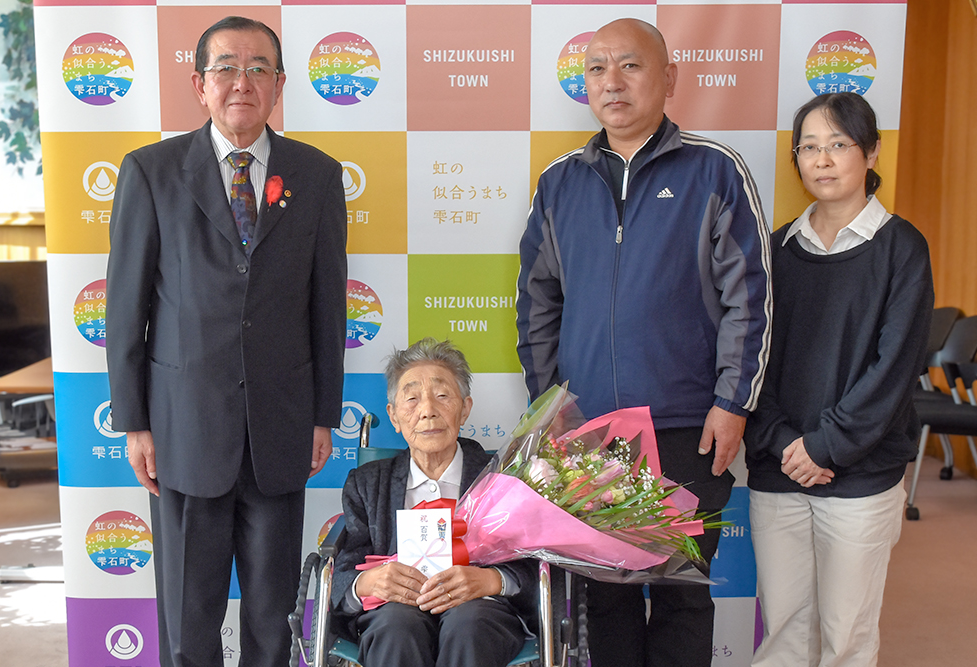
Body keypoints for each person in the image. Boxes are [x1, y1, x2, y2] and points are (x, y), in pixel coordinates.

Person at [516, 18, 771, 667]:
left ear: (668, 78)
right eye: (597, 68)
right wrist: (550, 407)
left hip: (687, 426)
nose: (612, 82)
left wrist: (733, 402)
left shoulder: (714, 171)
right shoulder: (560, 182)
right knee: (604, 598)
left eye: (629, 65)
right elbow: (538, 302)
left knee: (682, 593)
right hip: (591, 435)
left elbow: (750, 296)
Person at [105, 16, 347, 667]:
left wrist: (323, 414)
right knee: (188, 620)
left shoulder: (317, 175)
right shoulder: (151, 172)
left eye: (259, 69)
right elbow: (125, 310)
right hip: (182, 429)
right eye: (227, 69)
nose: (243, 82)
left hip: (280, 426)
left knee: (274, 616)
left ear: (279, 85)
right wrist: (135, 423)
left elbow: (328, 306)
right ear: (200, 84)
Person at [745, 92, 933, 667]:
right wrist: (785, 442)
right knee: (783, 630)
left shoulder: (902, 247)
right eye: (809, 147)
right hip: (779, 469)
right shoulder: (775, 249)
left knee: (846, 638)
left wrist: (825, 446)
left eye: (838, 144)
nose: (822, 160)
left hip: (859, 477)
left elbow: (894, 368)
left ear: (870, 153)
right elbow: (752, 356)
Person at [331, 338, 536, 667]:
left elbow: (534, 564)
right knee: (397, 625)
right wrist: (369, 582)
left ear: (464, 408)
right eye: (412, 399)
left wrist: (492, 580)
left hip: (482, 611)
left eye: (442, 396)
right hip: (394, 613)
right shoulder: (367, 483)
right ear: (394, 416)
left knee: (469, 622)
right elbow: (342, 571)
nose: (427, 410)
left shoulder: (500, 478)